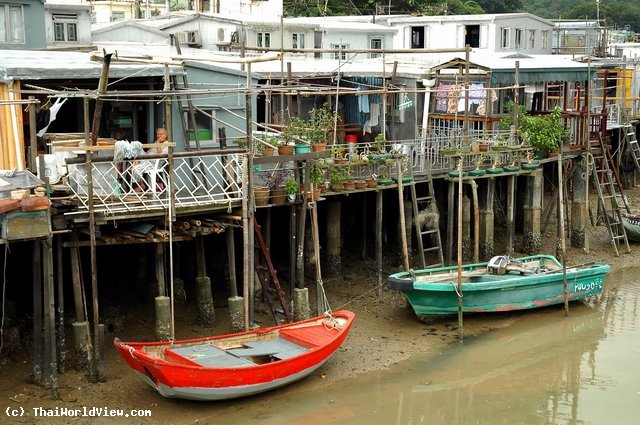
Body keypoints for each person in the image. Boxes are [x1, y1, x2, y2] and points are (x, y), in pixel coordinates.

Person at [131, 128, 170, 192]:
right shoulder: (156, 142)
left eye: (161, 134)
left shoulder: (167, 144)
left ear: (165, 135)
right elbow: (148, 152)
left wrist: (158, 143)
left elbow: (160, 155)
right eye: (157, 134)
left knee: (135, 169)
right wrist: (139, 157)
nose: (158, 136)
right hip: (147, 161)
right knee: (137, 148)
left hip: (154, 164)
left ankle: (141, 185)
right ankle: (137, 163)